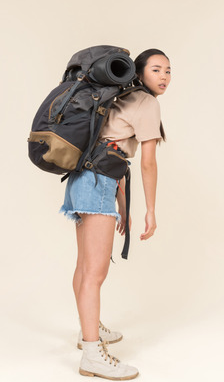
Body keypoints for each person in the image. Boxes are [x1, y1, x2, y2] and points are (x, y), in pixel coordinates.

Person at [60, 48, 171, 380]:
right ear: (140, 72)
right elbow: (146, 162)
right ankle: (92, 354)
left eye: (169, 70)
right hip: (98, 184)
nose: (165, 76)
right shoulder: (147, 103)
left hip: (85, 179)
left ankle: (87, 329)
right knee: (95, 273)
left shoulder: (121, 98)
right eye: (157, 69)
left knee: (84, 267)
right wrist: (150, 210)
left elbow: (111, 151)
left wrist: (123, 208)